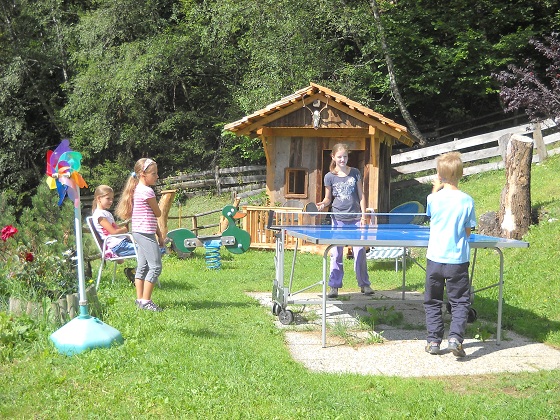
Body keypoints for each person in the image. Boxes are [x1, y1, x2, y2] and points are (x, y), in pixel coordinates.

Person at [423, 151, 476, 357]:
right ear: (460, 174)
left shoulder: (432, 199)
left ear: (439, 175)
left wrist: (436, 188)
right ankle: (455, 339)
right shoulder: (467, 201)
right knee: (460, 301)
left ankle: (434, 342)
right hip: (458, 261)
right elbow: (468, 230)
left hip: (435, 259)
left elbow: (430, 214)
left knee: (433, 300)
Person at [316, 143, 374, 298]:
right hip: (338, 219)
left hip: (356, 219)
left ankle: (365, 284)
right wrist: (322, 204)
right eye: (340, 157)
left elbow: (361, 195)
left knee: (360, 251)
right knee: (336, 253)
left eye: (345, 156)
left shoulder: (355, 173)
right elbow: (328, 199)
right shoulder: (329, 177)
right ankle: (334, 287)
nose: (343, 159)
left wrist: (363, 216)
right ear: (333, 157)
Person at [116, 158, 165, 312]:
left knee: (143, 266)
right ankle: (146, 301)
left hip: (140, 232)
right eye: (154, 173)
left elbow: (149, 215)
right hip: (144, 234)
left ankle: (139, 299)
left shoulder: (137, 189)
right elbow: (157, 212)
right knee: (156, 266)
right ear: (143, 174)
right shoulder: (147, 191)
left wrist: (158, 233)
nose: (157, 176)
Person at [91, 185, 137, 284]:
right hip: (118, 245)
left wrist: (124, 230)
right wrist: (124, 229)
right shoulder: (99, 215)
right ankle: (134, 273)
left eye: (112, 198)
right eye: (108, 198)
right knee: (148, 250)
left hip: (121, 242)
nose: (111, 201)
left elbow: (115, 229)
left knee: (151, 249)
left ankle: (135, 272)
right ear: (99, 198)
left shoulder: (106, 213)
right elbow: (113, 232)